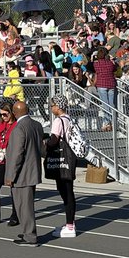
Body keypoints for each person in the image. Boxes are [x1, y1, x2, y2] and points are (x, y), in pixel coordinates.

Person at [4, 100, 44, 245]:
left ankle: (30, 236)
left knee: (24, 207)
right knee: (25, 205)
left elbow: (17, 155)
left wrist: (10, 176)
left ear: (14, 113)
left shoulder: (19, 128)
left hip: (22, 174)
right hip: (32, 171)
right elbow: (41, 148)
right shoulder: (36, 125)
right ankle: (27, 231)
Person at [46, 94, 81, 238]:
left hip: (62, 159)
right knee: (68, 190)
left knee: (65, 192)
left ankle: (70, 226)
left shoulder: (58, 120)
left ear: (58, 106)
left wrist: (45, 143)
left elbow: (54, 139)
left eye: (52, 105)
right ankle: (70, 222)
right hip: (70, 157)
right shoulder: (69, 118)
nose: (51, 108)